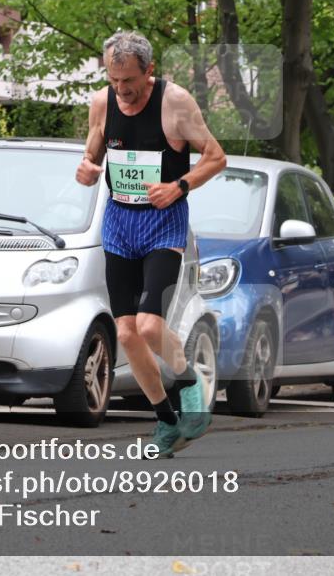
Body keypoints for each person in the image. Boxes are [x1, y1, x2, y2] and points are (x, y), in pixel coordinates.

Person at [76, 31, 226, 456]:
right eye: (113, 79)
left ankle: (190, 386)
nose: (121, 90)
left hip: (164, 224)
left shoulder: (175, 102)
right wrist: (87, 168)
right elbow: (93, 154)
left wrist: (179, 185)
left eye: (129, 81)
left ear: (150, 72)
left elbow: (216, 157)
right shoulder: (103, 102)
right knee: (125, 333)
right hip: (120, 223)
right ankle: (165, 422)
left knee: (148, 324)